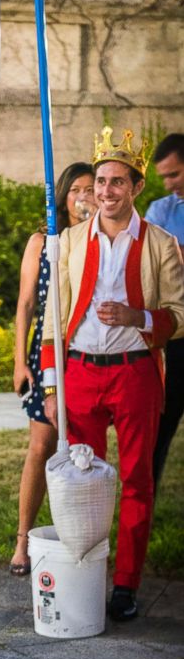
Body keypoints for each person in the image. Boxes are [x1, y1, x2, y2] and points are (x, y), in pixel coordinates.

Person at [42, 126, 184, 621]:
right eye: (100, 180)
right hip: (79, 372)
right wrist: (51, 385)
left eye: (117, 182)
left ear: (136, 187)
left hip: (135, 373)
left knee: (136, 480)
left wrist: (137, 317)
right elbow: (52, 319)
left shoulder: (162, 245)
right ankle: (83, 573)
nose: (105, 191)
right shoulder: (69, 242)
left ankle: (125, 585)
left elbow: (179, 315)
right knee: (81, 482)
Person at [9, 162, 96, 575]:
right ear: (63, 196)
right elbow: (26, 303)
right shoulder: (43, 241)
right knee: (41, 445)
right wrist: (18, 362)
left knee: (85, 449)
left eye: (90, 188)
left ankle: (82, 539)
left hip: (84, 353)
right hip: (44, 353)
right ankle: (24, 539)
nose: (84, 196)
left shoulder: (99, 242)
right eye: (76, 188)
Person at [145, 133, 184, 490]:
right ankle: (146, 496)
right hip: (175, 336)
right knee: (161, 419)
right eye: (165, 177)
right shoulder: (161, 210)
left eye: (175, 174)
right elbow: (151, 265)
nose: (170, 184)